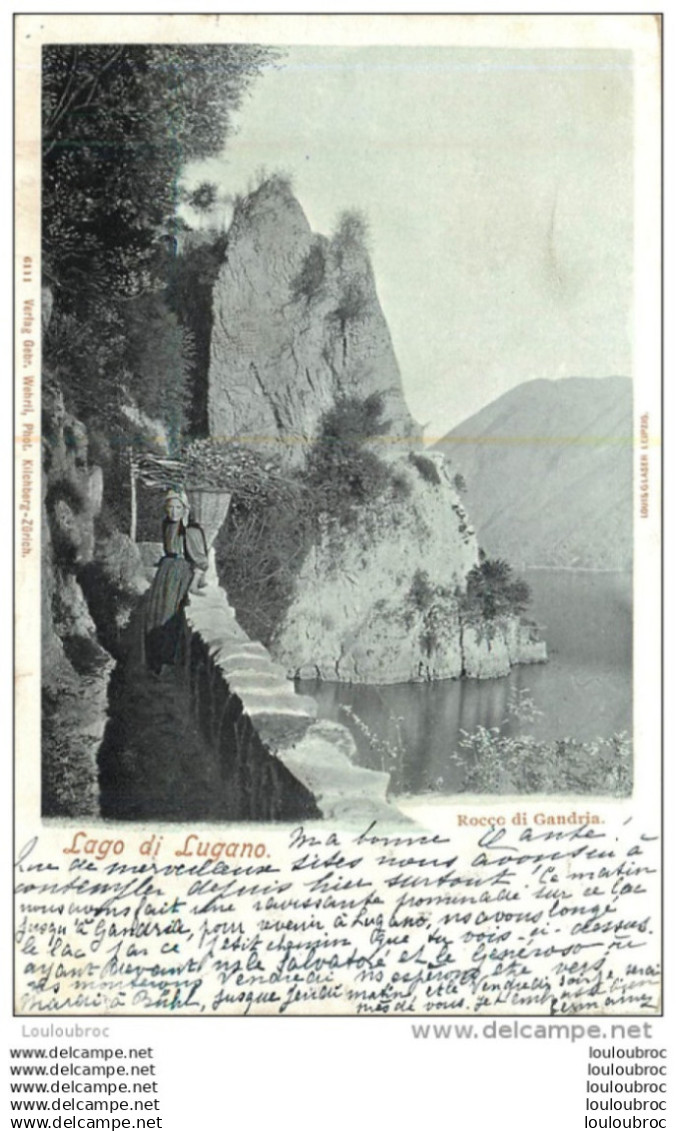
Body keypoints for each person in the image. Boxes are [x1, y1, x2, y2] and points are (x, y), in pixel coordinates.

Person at [144, 488, 209, 675]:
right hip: (165, 573)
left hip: (179, 575)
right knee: (154, 615)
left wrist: (194, 584)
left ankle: (166, 663)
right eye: (170, 507)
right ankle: (153, 664)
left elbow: (200, 561)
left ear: (184, 509)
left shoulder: (191, 531)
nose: (173, 512)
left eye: (177, 507)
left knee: (168, 617)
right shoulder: (167, 524)